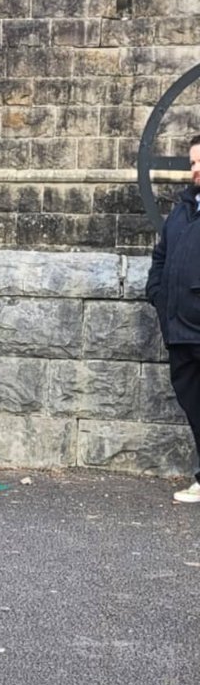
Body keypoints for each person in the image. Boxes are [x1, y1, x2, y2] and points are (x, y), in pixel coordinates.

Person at [146, 133, 200, 504]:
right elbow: (161, 257)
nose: (195, 169)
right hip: (180, 331)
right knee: (194, 405)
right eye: (193, 162)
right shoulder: (183, 210)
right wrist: (158, 294)